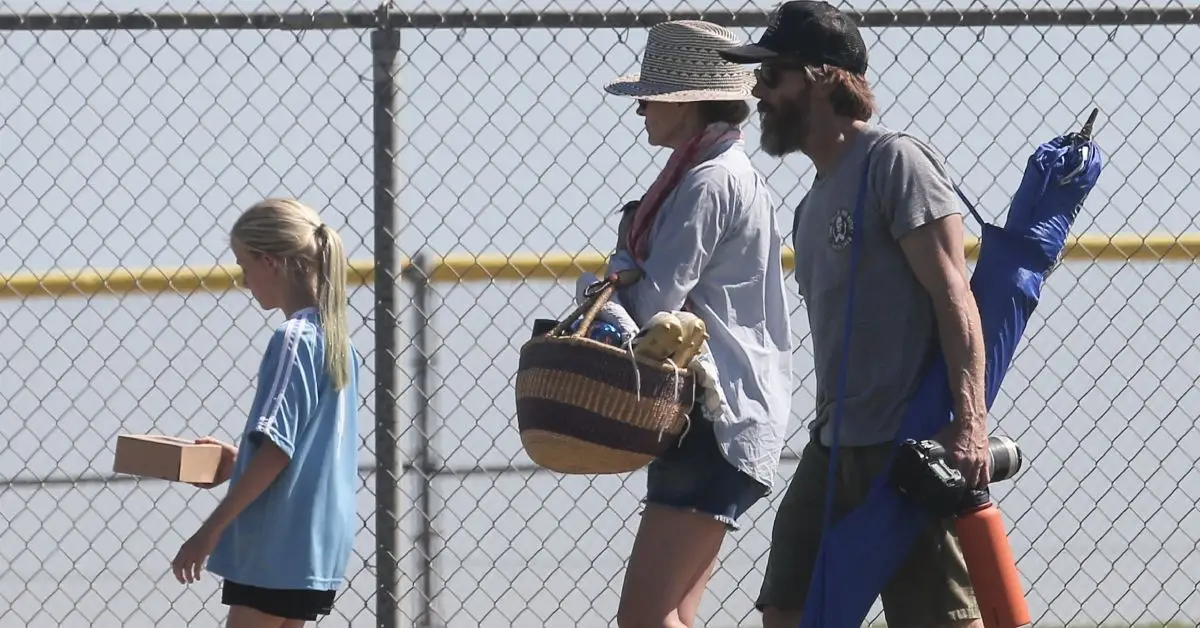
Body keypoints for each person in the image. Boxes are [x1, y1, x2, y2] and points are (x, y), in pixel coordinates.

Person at [718, 2, 989, 627]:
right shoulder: (810, 206)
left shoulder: (895, 163)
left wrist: (969, 423)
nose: (758, 93)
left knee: (939, 621)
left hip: (902, 445)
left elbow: (956, 298)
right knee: (786, 605)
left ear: (817, 76)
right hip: (834, 446)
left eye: (771, 77)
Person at [600, 19, 794, 628]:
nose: (641, 112)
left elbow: (656, 300)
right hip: (725, 413)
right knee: (675, 615)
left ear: (686, 102)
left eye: (651, 97)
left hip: (714, 414)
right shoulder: (717, 173)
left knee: (645, 618)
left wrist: (609, 277)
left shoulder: (707, 182)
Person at [170, 198, 361, 628]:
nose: (243, 279)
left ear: (269, 261)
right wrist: (241, 463)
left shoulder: (293, 338)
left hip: (278, 543)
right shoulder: (339, 344)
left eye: (244, 265)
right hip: (317, 547)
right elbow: (308, 452)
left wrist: (209, 531)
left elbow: (278, 448)